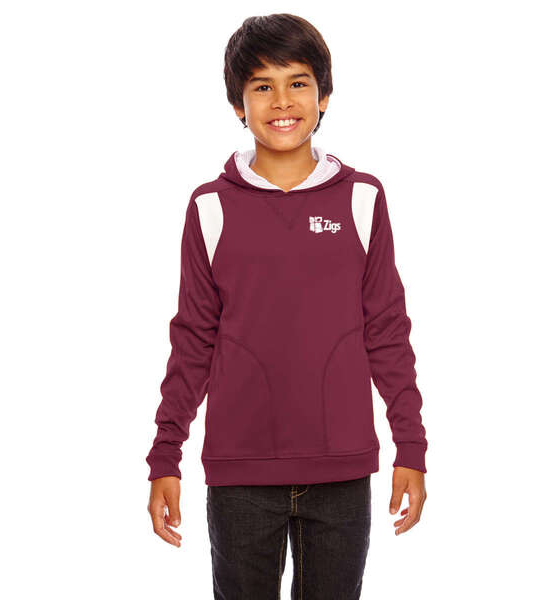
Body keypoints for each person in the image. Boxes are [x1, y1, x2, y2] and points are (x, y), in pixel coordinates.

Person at [146, 13, 428, 600]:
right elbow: (193, 339)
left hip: (342, 471)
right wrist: (166, 454)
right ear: (238, 103)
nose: (282, 101)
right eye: (262, 86)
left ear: (323, 96)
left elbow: (387, 331)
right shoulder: (209, 208)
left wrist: (412, 446)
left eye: (298, 82)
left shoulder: (362, 198)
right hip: (239, 476)